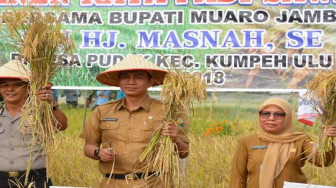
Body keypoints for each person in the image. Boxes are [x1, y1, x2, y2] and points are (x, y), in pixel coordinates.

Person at [80, 55, 189, 188]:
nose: (131, 82)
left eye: (138, 77)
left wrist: (176, 138)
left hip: (154, 183)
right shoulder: (103, 111)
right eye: (125, 77)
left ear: (150, 82)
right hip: (113, 183)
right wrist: (98, 153)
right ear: (119, 82)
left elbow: (184, 153)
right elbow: (88, 147)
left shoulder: (168, 111)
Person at [230, 98, 336, 188]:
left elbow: (322, 161)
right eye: (266, 114)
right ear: (259, 116)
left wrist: (327, 139)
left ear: (288, 117)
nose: (271, 118)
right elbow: (238, 178)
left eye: (279, 114)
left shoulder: (300, 140)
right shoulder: (247, 142)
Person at [0, 60, 68, 188]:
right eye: (4, 85)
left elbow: (61, 126)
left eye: (17, 85)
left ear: (29, 87)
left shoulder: (41, 112)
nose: (10, 89)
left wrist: (51, 105)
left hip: (34, 180)